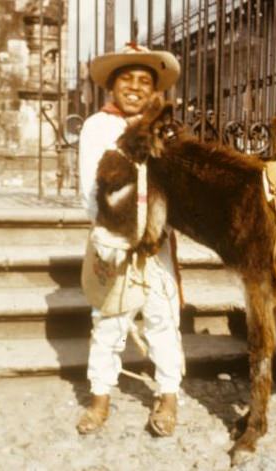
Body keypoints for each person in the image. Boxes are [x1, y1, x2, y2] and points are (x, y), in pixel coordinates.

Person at [76, 43, 183, 437]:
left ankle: (169, 392)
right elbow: (89, 188)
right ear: (112, 85)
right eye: (127, 79)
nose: (135, 87)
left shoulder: (165, 128)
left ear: (154, 89)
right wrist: (108, 234)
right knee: (109, 316)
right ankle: (100, 395)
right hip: (116, 238)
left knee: (162, 316)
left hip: (156, 240)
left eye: (144, 81)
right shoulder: (97, 127)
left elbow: (177, 184)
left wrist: (162, 227)